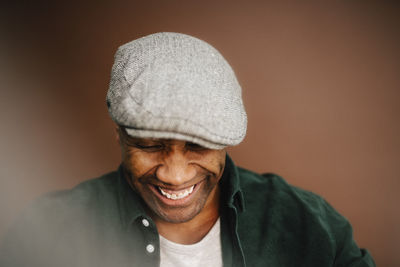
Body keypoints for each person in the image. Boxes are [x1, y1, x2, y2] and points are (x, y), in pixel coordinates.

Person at [0, 32, 375, 267]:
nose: (174, 174)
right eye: (149, 146)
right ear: (119, 135)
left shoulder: (308, 225)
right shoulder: (47, 231)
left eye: (197, 145)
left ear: (224, 140)